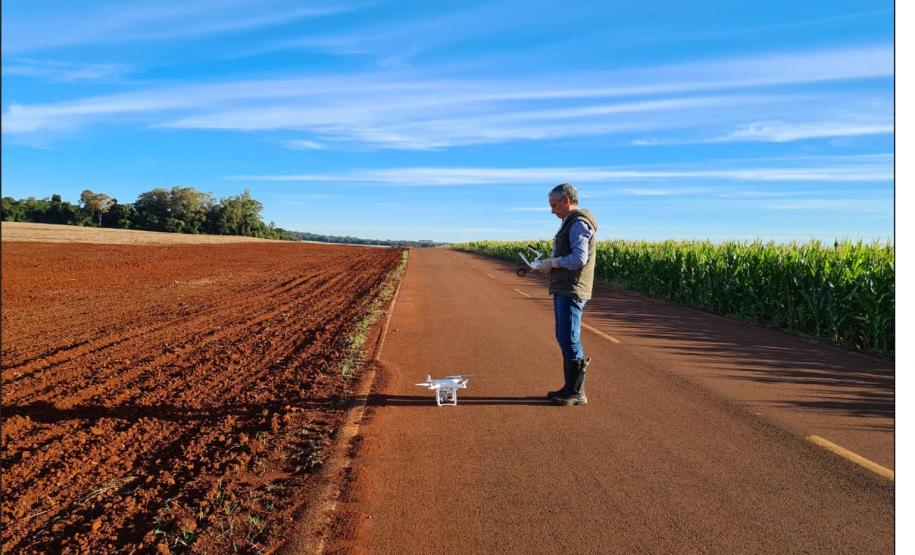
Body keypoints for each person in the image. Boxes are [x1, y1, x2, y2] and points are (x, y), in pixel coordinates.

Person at [532, 183, 598, 406]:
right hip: (565, 287)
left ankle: (576, 392)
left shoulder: (578, 223)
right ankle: (569, 387)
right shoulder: (570, 223)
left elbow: (579, 259)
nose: (552, 210)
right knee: (563, 336)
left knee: (569, 338)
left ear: (566, 201)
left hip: (572, 288)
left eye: (554, 205)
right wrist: (549, 266)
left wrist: (554, 262)